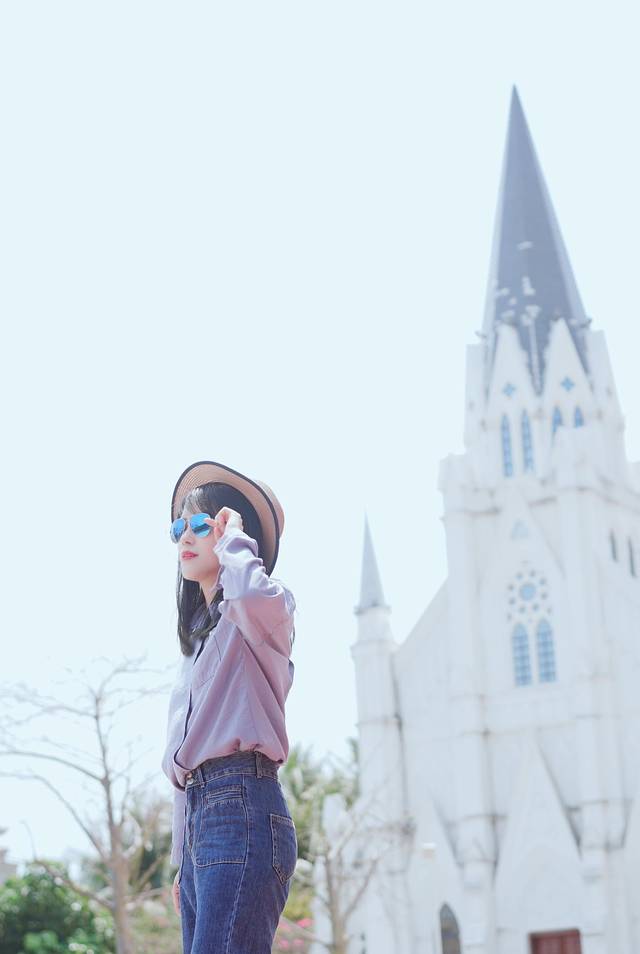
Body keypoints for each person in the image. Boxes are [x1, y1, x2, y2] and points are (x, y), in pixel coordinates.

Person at [160, 459, 298, 953]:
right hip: (202, 821)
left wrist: (235, 536)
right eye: (179, 527)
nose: (186, 535)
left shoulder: (264, 612)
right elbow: (184, 762)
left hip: (243, 805)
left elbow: (250, 595)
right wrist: (182, 858)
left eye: (203, 523)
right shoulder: (197, 646)